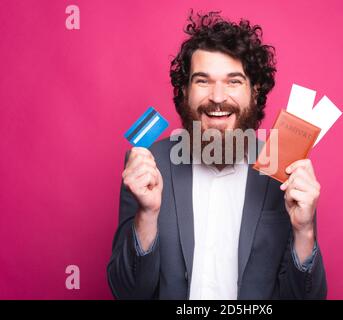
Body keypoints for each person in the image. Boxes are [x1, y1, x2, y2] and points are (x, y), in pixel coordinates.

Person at [107, 11, 327, 300]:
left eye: (234, 81)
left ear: (255, 92)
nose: (218, 97)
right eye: (202, 81)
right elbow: (127, 293)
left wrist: (304, 230)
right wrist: (147, 215)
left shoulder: (285, 167)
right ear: (184, 91)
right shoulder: (148, 165)